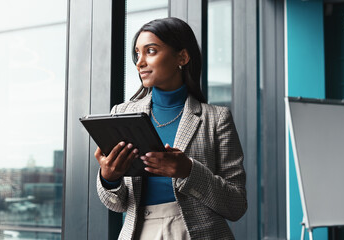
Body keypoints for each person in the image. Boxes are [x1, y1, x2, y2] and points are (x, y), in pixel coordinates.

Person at [95, 17, 247, 240]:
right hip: (140, 233)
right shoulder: (121, 113)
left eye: (151, 51)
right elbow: (116, 204)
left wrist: (188, 171)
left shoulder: (216, 119)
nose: (140, 62)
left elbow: (236, 205)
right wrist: (109, 178)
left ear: (182, 57)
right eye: (137, 54)